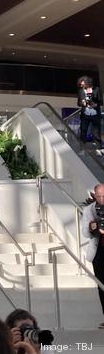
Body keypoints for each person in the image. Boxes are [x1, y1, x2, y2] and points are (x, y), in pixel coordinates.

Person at [80, 183, 104, 328]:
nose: (102, 199)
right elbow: (85, 233)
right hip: (99, 252)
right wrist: (91, 227)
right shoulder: (89, 210)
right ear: (95, 195)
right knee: (102, 286)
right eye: (100, 196)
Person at [77, 76, 102, 149]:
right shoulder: (81, 91)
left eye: (83, 84)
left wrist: (95, 104)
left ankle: (99, 149)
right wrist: (82, 103)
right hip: (85, 115)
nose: (81, 86)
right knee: (83, 132)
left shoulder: (97, 89)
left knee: (96, 132)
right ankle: (82, 148)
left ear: (88, 83)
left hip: (95, 114)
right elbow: (78, 103)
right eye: (81, 85)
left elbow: (101, 101)